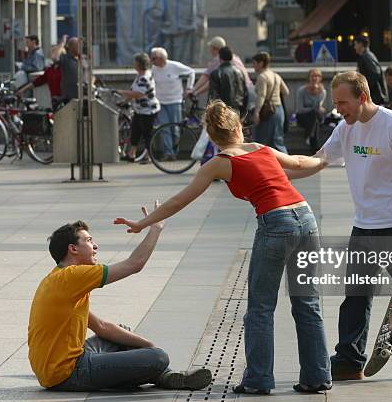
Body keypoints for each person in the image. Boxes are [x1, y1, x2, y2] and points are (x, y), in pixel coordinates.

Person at [114, 100, 332, 395]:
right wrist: (324, 158)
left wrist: (144, 224)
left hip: (276, 223)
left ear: (212, 136)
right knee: (307, 303)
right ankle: (318, 377)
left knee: (260, 308)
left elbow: (181, 199)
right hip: (305, 217)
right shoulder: (261, 149)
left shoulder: (218, 163)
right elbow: (299, 163)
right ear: (239, 127)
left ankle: (258, 380)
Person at [286, 71, 392, 382]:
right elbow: (318, 160)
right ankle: (349, 358)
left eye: (343, 102)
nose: (338, 109)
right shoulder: (346, 129)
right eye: (335, 103)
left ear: (363, 97)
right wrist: (277, 169)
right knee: (356, 293)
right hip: (364, 225)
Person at [28, 217, 212, 391]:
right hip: (68, 372)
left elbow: (101, 327)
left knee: (121, 332)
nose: (95, 245)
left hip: (52, 370)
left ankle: (163, 376)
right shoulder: (72, 276)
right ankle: (161, 373)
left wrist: (147, 345)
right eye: (89, 240)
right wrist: (155, 229)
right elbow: (134, 264)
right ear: (73, 249)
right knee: (158, 358)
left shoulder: (57, 279)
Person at [150, 47, 195, 161]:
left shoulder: (174, 66)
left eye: (154, 58)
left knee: (175, 128)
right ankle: (168, 153)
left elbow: (191, 72)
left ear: (161, 58)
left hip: (175, 101)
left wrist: (189, 88)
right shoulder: (153, 69)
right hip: (160, 101)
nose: (152, 60)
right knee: (164, 128)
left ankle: (175, 150)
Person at [117, 53, 160, 163]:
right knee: (135, 131)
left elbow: (138, 93)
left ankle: (149, 157)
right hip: (139, 109)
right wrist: (125, 101)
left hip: (148, 110)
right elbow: (134, 92)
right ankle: (132, 154)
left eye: (135, 62)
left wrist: (121, 92)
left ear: (139, 64)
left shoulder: (144, 77)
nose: (133, 64)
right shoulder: (140, 76)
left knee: (147, 133)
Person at [252, 52, 290, 153]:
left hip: (267, 113)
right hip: (279, 110)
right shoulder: (276, 75)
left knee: (261, 141)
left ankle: (260, 165)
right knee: (277, 140)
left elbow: (262, 96)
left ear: (261, 63)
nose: (253, 66)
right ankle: (287, 164)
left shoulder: (262, 77)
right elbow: (286, 91)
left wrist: (256, 112)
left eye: (255, 63)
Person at [51, 35, 93, 104]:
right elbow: (55, 57)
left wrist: (91, 84)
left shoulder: (84, 59)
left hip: (85, 96)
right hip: (70, 97)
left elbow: (90, 74)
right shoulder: (65, 59)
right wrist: (62, 43)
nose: (80, 47)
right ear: (71, 47)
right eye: (77, 45)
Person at [209, 47, 247, 116]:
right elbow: (245, 93)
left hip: (222, 112)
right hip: (238, 111)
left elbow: (213, 96)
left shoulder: (216, 73)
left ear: (220, 58)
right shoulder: (240, 72)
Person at [296, 68, 327, 154]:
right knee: (315, 117)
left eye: (317, 76)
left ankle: (309, 136)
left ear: (320, 78)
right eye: (313, 76)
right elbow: (300, 109)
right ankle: (316, 149)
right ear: (309, 78)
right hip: (303, 117)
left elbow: (319, 107)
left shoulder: (322, 92)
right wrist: (314, 109)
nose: (315, 78)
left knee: (315, 116)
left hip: (315, 117)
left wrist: (319, 108)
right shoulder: (301, 91)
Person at [354, 36, 386, 105]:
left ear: (361, 44)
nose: (354, 47)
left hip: (374, 96)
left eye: (356, 44)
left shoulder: (367, 56)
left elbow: (376, 73)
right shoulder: (367, 55)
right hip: (372, 95)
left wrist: (365, 86)